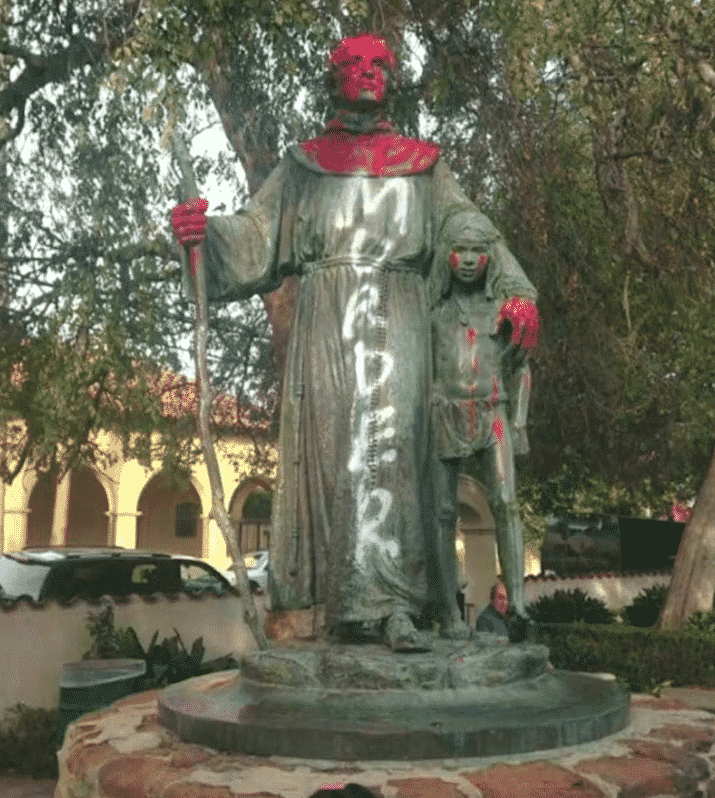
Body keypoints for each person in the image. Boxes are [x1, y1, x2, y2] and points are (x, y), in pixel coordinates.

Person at [170, 33, 537, 652]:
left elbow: (475, 233)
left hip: (402, 322)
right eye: (354, 65)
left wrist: (514, 291)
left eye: (379, 66)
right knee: (337, 459)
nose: (368, 74)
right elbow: (256, 237)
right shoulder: (303, 165)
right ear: (335, 77)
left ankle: (399, 608)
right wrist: (202, 233)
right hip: (326, 327)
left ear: (391, 79)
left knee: (394, 457)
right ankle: (333, 611)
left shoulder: (424, 165)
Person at [429, 209, 538, 632]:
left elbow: (522, 369)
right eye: (461, 251)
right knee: (441, 513)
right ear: (448, 256)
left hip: (494, 413)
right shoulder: (433, 313)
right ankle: (447, 611)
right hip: (445, 413)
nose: (470, 259)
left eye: (478, 251)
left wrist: (520, 423)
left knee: (507, 503)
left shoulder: (503, 312)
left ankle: (520, 604)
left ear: (490, 258)